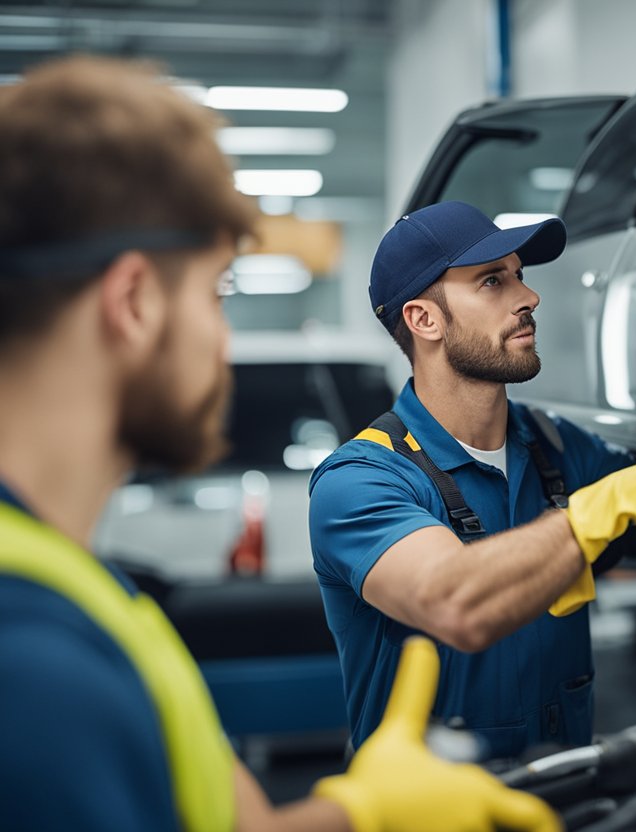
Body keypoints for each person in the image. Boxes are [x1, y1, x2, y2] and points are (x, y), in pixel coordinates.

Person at [0, 56, 559, 832]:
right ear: (133, 303)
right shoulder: (30, 660)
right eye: (216, 291)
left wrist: (355, 814)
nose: (221, 338)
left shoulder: (83, 593)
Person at [308, 200, 636, 761]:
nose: (528, 298)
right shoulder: (361, 482)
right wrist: (593, 515)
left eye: (520, 276)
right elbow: (455, 600)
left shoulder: (554, 447)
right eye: (491, 281)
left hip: (563, 803)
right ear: (424, 320)